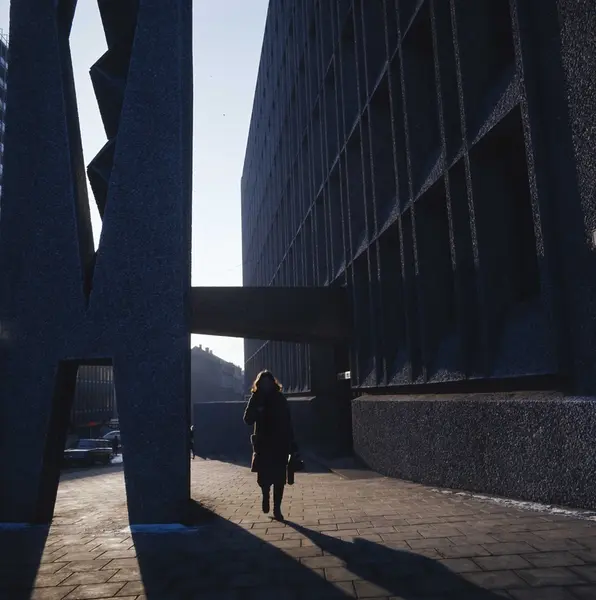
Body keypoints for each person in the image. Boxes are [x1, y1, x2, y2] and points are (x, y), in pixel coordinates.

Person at [244, 370, 295, 521]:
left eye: (268, 383)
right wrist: (257, 411)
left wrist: (292, 442)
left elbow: (288, 421)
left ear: (273, 383)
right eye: (263, 383)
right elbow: (247, 419)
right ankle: (265, 495)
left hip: (279, 443)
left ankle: (277, 508)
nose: (266, 385)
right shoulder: (256, 398)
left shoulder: (279, 398)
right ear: (259, 384)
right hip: (263, 444)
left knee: (279, 478)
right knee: (263, 477)